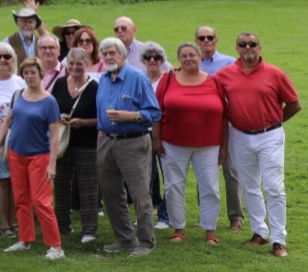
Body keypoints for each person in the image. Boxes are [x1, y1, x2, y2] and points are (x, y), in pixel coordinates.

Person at [215, 32, 299, 258]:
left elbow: (294, 104)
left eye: (252, 44)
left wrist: (274, 121)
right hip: (240, 136)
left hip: (269, 135)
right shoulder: (225, 75)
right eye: (243, 44)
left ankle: (278, 239)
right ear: (237, 49)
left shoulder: (274, 73)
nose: (247, 47)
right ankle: (259, 232)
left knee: (273, 187)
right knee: (250, 186)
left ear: (260, 48)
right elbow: (211, 95)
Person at [95, 36, 161, 256]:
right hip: (106, 140)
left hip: (133, 141)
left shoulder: (137, 78)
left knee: (140, 193)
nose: (108, 57)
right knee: (110, 191)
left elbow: (154, 113)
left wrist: (130, 115)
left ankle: (146, 242)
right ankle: (125, 239)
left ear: (123, 55)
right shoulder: (104, 78)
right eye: (105, 54)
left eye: (112, 53)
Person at [0, 58, 64, 260]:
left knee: (41, 202)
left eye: (33, 72)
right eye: (26, 73)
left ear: (41, 74)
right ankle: (25, 240)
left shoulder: (49, 101)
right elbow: (7, 122)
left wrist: (52, 165)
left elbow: (55, 136)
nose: (30, 77)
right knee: (21, 199)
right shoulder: (18, 95)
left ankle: (56, 247)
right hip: (16, 155)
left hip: (39, 157)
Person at [154, 42, 225, 245]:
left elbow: (224, 116)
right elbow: (156, 111)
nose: (188, 59)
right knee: (174, 186)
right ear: (179, 59)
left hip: (208, 144)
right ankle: (178, 229)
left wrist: (224, 146)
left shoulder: (214, 81)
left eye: (192, 55)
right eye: (184, 56)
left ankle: (210, 230)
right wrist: (156, 140)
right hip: (173, 144)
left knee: (210, 187)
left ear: (199, 57)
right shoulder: (168, 79)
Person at [195, 25, 243, 231]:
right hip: (200, 124)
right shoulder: (192, 63)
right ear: (197, 41)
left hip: (226, 122)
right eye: (202, 38)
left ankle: (236, 218)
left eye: (210, 37)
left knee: (230, 171)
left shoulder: (229, 63)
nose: (206, 41)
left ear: (216, 40)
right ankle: (206, 217)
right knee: (203, 172)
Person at [52, 48, 100, 244]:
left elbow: (101, 118)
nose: (74, 67)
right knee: (61, 185)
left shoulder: (95, 87)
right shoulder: (61, 83)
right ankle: (62, 226)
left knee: (88, 187)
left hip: (87, 143)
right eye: (71, 64)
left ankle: (89, 230)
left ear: (86, 64)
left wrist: (84, 122)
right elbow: (52, 108)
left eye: (79, 64)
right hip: (63, 143)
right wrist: (59, 117)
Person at [0, 43, 24, 236]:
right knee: (3, 179)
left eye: (6, 57)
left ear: (12, 60)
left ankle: (15, 221)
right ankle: (4, 224)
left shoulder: (19, 81)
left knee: (17, 180)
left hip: (18, 136)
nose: (2, 60)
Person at [140, 42, 173, 227]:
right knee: (145, 178)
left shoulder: (168, 80)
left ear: (162, 60)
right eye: (148, 57)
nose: (152, 60)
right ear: (143, 60)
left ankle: (165, 216)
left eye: (157, 57)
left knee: (169, 176)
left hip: (165, 135)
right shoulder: (139, 80)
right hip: (143, 134)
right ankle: (146, 215)